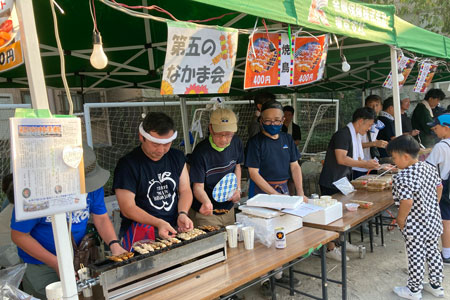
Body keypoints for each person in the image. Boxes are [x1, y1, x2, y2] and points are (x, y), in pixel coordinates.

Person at [10, 145, 126, 300]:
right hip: (40, 264)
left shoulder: (93, 186)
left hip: (78, 257)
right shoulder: (35, 191)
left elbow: (101, 217)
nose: (87, 188)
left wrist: (114, 244)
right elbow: (19, 236)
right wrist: (57, 263)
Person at [245, 99, 305, 295]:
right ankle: (264, 278)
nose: (273, 124)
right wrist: (275, 196)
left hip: (283, 191)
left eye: (277, 120)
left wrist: (300, 192)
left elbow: (295, 166)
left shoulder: (287, 139)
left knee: (282, 231)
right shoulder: (255, 142)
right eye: (268, 121)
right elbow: (254, 173)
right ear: (261, 120)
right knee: (263, 235)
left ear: (283, 120)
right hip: (261, 193)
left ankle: (278, 273)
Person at [113, 112, 193, 250]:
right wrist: (158, 223)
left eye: (167, 144)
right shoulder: (128, 164)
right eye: (155, 144)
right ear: (141, 137)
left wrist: (183, 213)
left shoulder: (177, 157)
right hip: (140, 234)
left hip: (172, 228)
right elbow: (127, 208)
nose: (161, 150)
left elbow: (185, 190)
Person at [319, 107, 380, 261]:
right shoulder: (343, 134)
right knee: (331, 217)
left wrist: (373, 164)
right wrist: (366, 165)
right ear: (360, 121)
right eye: (368, 125)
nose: (368, 129)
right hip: (332, 180)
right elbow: (341, 159)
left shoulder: (353, 135)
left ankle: (340, 243)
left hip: (342, 179)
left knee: (343, 216)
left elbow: (355, 160)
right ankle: (330, 248)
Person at [387, 135, 444, 299]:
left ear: (405, 156)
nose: (394, 161)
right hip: (433, 220)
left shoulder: (402, 177)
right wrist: (432, 204)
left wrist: (400, 219)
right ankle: (436, 285)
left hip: (415, 225)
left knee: (416, 255)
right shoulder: (429, 168)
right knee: (433, 252)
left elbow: (407, 201)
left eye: (395, 158)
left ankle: (413, 290)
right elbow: (439, 187)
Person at [189, 108, 244, 227]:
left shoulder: (236, 143)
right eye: (219, 134)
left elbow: (237, 167)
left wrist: (238, 189)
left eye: (229, 135)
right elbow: (197, 187)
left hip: (228, 209)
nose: (224, 139)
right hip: (206, 213)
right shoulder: (201, 152)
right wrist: (206, 202)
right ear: (211, 128)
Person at [426, 113, 450, 265]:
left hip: (445, 188)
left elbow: (428, 168)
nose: (434, 130)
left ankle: (446, 255)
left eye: (436, 128)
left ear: (446, 128)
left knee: (445, 221)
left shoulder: (441, 146)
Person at [356, 95, 388, 178]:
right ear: (366, 107)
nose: (374, 108)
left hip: (372, 162)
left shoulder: (378, 123)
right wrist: (374, 143)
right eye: (371, 105)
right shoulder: (360, 124)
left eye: (377, 105)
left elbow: (372, 139)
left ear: (381, 107)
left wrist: (380, 143)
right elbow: (356, 145)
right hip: (359, 165)